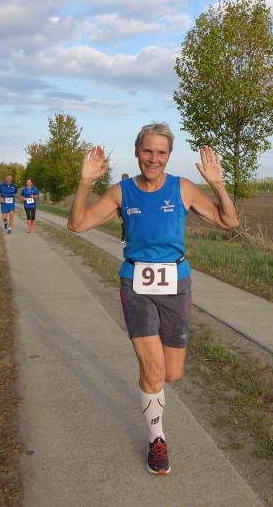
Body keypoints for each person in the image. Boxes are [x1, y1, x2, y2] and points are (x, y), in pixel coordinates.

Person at [67, 122, 239, 475]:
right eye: (147, 150)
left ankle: (151, 381)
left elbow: (229, 222)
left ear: (169, 156)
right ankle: (156, 439)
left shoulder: (183, 189)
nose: (153, 158)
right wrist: (85, 183)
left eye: (161, 152)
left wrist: (218, 185)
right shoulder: (122, 192)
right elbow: (77, 225)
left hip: (176, 283)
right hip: (137, 284)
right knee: (154, 369)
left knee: (171, 373)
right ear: (137, 152)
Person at [118, 173, 129, 244]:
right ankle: (123, 239)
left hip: (128, 209)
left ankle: (126, 239)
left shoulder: (129, 188)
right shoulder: (119, 187)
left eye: (124, 178)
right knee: (123, 225)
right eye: (122, 178)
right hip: (121, 209)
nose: (122, 179)